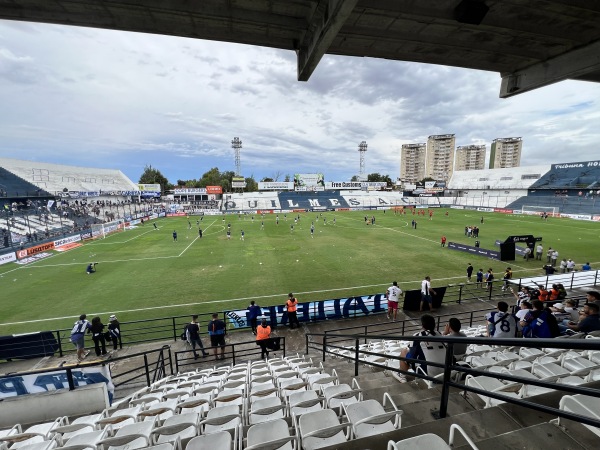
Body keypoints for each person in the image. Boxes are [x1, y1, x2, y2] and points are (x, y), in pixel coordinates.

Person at [398, 315, 446, 383]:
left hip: (428, 372)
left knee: (404, 351)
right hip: (446, 371)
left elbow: (412, 354)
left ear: (422, 325)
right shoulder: (440, 334)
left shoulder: (418, 336)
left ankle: (402, 375)